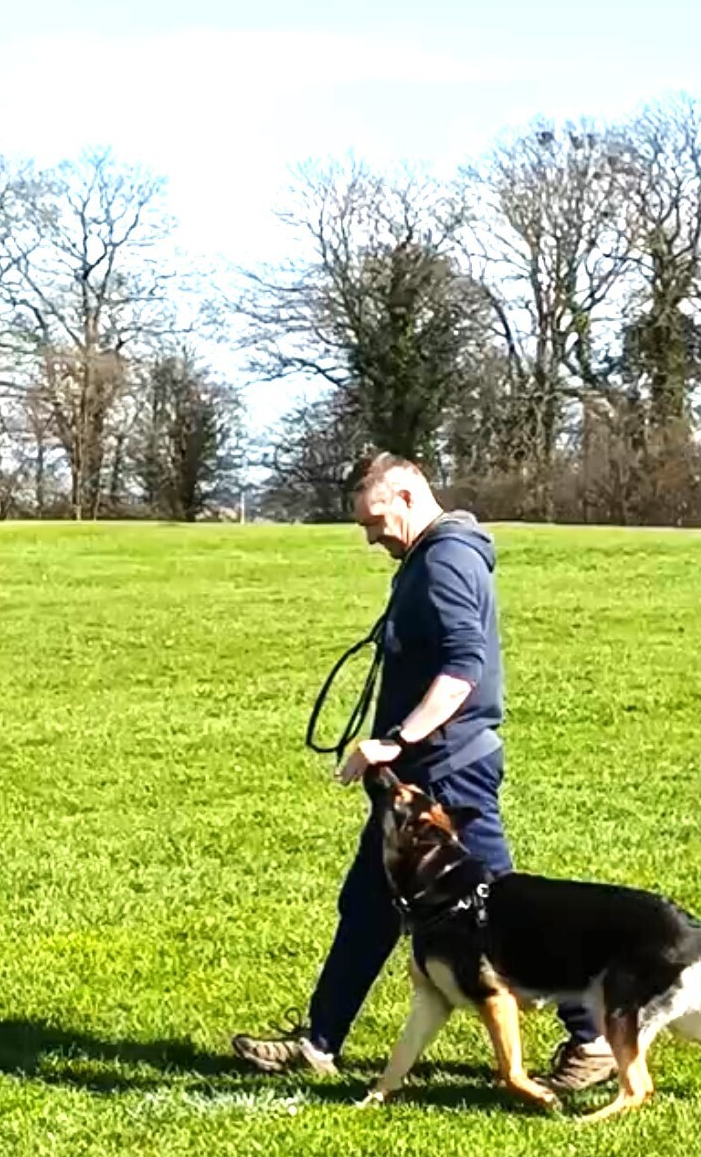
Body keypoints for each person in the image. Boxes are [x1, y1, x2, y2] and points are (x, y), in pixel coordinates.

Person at [232, 452, 616, 1091]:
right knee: (369, 905)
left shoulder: (445, 560)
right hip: (422, 774)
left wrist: (396, 740)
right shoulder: (427, 556)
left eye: (376, 520)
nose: (370, 536)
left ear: (408, 498)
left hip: (448, 775)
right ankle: (320, 1042)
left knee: (505, 912)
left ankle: (593, 1038)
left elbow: (463, 670)